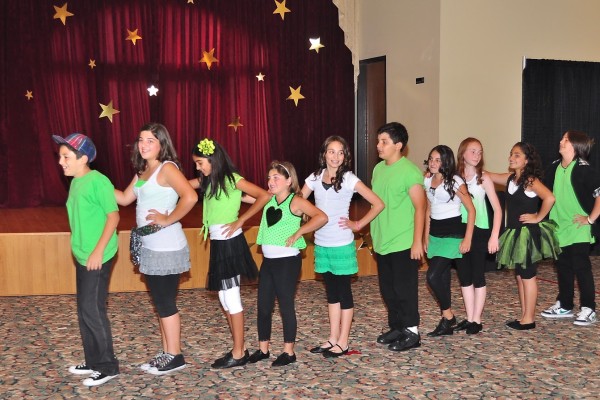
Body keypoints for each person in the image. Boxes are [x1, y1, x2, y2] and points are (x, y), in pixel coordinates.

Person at [115, 123, 197, 374]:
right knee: (160, 302)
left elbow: (191, 197)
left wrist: (167, 219)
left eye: (150, 140)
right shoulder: (143, 170)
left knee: (165, 302)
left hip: (166, 246)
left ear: (162, 144)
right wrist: (95, 181)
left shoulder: (167, 168)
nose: (144, 145)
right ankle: (167, 352)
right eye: (141, 140)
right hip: (150, 246)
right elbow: (124, 199)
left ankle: (175, 355)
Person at [190, 138, 270, 369]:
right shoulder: (210, 181)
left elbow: (264, 196)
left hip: (230, 243)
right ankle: (239, 347)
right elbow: (182, 184)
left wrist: (241, 220)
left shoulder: (232, 179)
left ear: (213, 160)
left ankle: (238, 352)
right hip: (219, 243)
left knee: (232, 298)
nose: (198, 168)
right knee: (224, 298)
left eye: (200, 163)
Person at [301, 136, 384, 358]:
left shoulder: (349, 178)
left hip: (342, 244)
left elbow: (378, 203)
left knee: (343, 292)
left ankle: (344, 341)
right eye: (331, 151)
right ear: (324, 154)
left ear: (345, 156)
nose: (335, 156)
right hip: (322, 243)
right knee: (331, 293)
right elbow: (298, 202)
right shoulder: (315, 177)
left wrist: (358, 224)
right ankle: (332, 338)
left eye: (340, 152)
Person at [53, 133, 120, 387]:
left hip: (97, 257)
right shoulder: (76, 182)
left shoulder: (98, 181)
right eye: (60, 157)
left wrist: (98, 252)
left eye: (66, 157)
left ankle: (107, 366)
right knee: (84, 310)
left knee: (93, 310)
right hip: (83, 255)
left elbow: (113, 217)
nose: (61, 162)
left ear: (83, 159)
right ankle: (93, 361)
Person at [248, 161, 328, 367]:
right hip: (268, 262)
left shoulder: (296, 201)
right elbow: (246, 197)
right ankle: (263, 349)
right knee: (263, 307)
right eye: (269, 177)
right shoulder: (268, 199)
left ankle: (288, 352)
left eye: (276, 177)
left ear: (289, 181)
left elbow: (321, 217)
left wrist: (300, 232)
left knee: (285, 306)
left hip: (287, 263)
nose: (271, 181)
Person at [488, 142, 559, 330]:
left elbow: (550, 198)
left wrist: (538, 217)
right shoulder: (510, 179)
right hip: (515, 233)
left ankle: (529, 319)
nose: (511, 158)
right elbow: (487, 175)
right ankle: (524, 315)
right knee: (520, 276)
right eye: (511, 154)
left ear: (527, 160)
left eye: (517, 155)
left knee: (528, 276)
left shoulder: (530, 181)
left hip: (527, 234)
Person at [371, 122, 426, 352]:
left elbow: (421, 208)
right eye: (378, 141)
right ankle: (397, 326)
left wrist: (417, 241)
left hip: (403, 241)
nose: (379, 145)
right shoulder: (378, 169)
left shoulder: (410, 172)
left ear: (398, 145)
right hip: (383, 240)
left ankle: (412, 331)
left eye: (384, 142)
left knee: (404, 289)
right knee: (388, 289)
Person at [541, 131, 599, 326]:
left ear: (575, 145)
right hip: (559, 227)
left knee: (581, 267)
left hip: (579, 227)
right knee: (563, 267)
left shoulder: (585, 169)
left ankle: (589, 308)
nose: (560, 141)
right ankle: (565, 304)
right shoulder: (553, 168)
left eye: (565, 140)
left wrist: (590, 219)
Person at [424, 145, 475, 336]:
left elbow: (471, 210)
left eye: (437, 160)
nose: (433, 163)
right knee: (442, 278)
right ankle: (446, 322)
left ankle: (449, 316)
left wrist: (467, 238)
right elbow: (428, 209)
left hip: (452, 235)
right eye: (431, 159)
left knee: (432, 276)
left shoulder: (455, 181)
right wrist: (425, 236)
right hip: (435, 235)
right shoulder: (427, 180)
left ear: (446, 162)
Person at [454, 138, 502, 334]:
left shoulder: (484, 178)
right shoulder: (455, 178)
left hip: (480, 230)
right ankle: (469, 317)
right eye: (472, 151)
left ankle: (477, 319)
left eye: (480, 152)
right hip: (460, 230)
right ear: (463, 153)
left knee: (477, 275)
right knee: (464, 275)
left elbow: (497, 210)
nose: (477, 155)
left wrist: (494, 236)